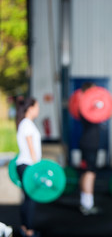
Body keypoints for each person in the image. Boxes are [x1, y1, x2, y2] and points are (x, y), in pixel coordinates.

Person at [15, 97, 41, 237]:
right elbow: (31, 147)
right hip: (28, 166)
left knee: (27, 198)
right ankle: (29, 231)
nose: (38, 110)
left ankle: (25, 228)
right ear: (30, 108)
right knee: (31, 199)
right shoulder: (27, 124)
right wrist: (37, 168)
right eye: (37, 107)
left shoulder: (25, 123)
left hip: (24, 166)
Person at [78, 82, 101, 215]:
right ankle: (88, 205)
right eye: (93, 90)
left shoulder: (86, 106)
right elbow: (97, 108)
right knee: (90, 173)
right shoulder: (85, 106)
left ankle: (84, 202)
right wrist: (98, 104)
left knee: (86, 172)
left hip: (88, 143)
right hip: (89, 144)